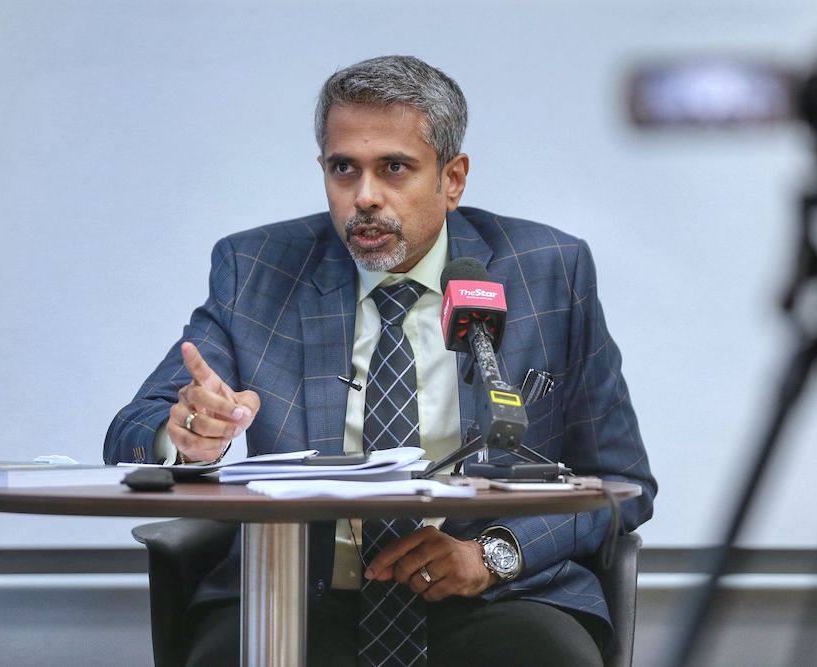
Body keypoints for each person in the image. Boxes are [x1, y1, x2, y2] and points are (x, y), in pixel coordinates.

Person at [105, 55, 657, 667]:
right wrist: (186, 435)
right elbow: (132, 431)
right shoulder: (257, 269)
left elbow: (622, 484)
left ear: (453, 178)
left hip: (496, 594)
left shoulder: (546, 270)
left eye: (394, 168)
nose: (364, 197)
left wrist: (494, 554)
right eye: (344, 169)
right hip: (298, 592)